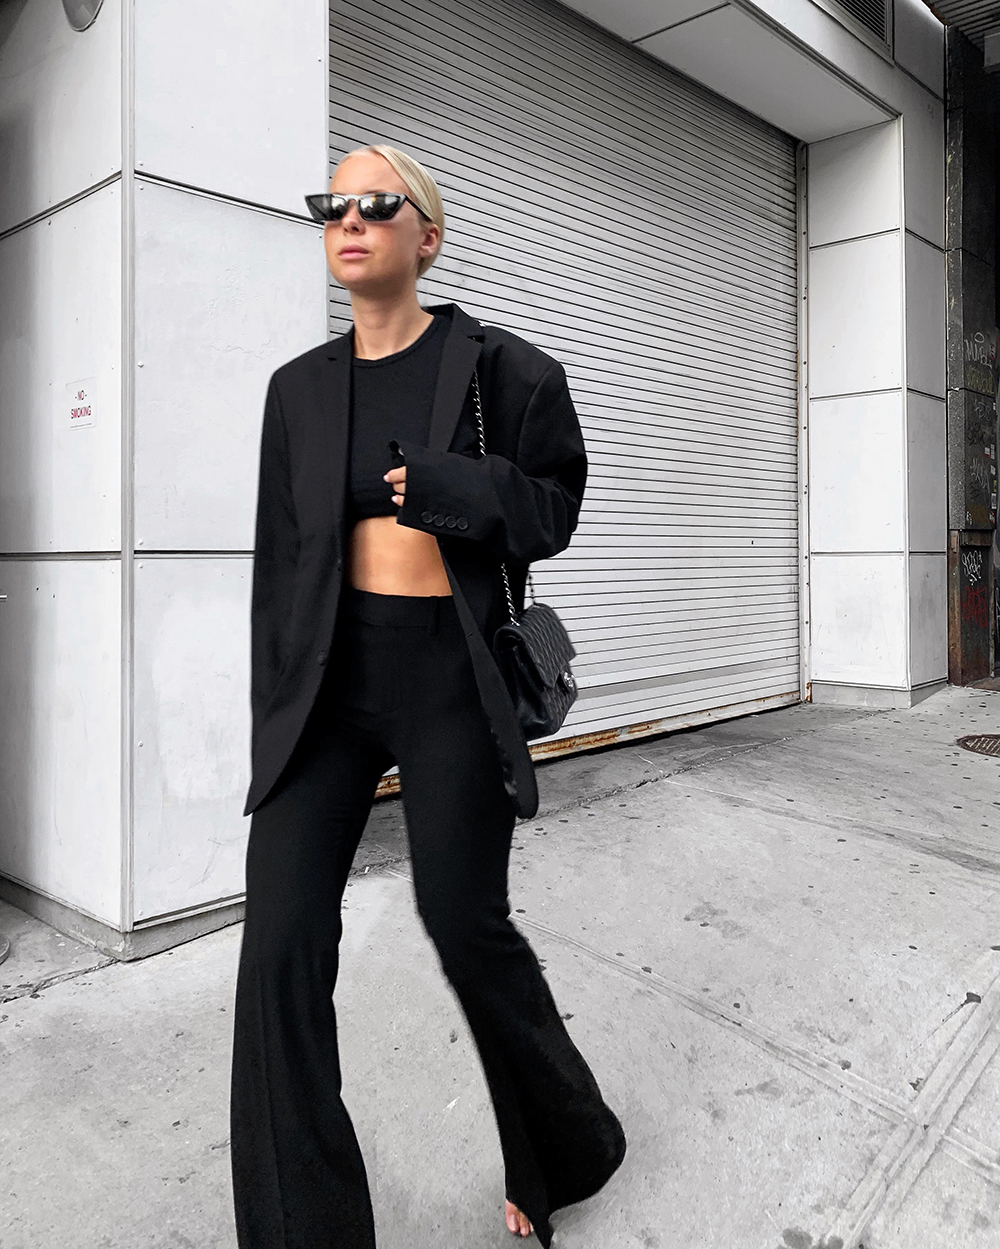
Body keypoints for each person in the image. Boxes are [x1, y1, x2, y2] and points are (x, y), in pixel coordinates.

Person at [229, 143, 626, 1249]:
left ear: (427, 235)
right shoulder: (298, 392)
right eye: (332, 205)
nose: (349, 219)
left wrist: (460, 490)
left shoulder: (503, 371)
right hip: (326, 686)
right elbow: (278, 563)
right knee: (280, 943)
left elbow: (555, 507)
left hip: (448, 679)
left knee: (463, 919)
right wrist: (268, 717)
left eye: (376, 203)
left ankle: (563, 1146)